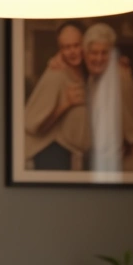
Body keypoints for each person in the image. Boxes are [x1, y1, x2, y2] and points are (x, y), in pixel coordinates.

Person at [24, 21, 90, 171]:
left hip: (74, 154)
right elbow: (32, 123)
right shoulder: (56, 74)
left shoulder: (86, 72)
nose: (72, 52)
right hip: (51, 153)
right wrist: (66, 104)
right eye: (66, 47)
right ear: (60, 50)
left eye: (76, 45)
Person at [84, 22, 133, 173]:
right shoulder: (92, 79)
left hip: (122, 160)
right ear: (86, 54)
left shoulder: (120, 77)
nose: (99, 58)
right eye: (94, 53)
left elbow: (129, 117)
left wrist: (131, 143)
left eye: (104, 52)